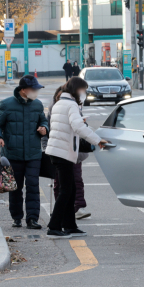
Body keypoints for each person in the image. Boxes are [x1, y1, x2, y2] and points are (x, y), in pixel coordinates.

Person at [45, 77, 107, 238]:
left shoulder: (60, 103)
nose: (84, 94)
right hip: (63, 151)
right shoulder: (71, 105)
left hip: (58, 150)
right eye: (83, 90)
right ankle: (54, 226)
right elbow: (78, 127)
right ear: (76, 90)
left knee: (70, 190)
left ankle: (70, 225)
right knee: (66, 191)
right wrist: (97, 140)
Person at [0, 75, 49, 230]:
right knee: (15, 187)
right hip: (13, 154)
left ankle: (32, 219)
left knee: (33, 186)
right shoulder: (7, 104)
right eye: (33, 89)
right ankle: (17, 217)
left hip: (33, 154)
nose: (36, 92)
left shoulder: (37, 105)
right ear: (23, 90)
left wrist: (45, 128)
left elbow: (43, 121)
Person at [46, 87, 91, 220]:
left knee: (75, 180)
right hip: (60, 152)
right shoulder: (56, 108)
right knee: (61, 184)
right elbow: (49, 130)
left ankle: (77, 209)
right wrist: (97, 140)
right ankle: (60, 215)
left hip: (74, 151)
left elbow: (81, 127)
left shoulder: (75, 106)